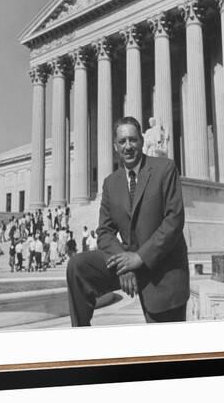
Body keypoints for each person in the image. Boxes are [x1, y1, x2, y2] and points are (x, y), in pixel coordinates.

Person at [67, 116, 189, 327]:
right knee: (78, 266)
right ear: (115, 147)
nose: (128, 146)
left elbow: (174, 221)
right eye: (122, 142)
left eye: (132, 140)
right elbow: (104, 232)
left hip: (162, 266)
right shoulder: (110, 183)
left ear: (142, 141)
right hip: (128, 262)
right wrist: (125, 264)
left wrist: (140, 258)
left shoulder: (165, 169)